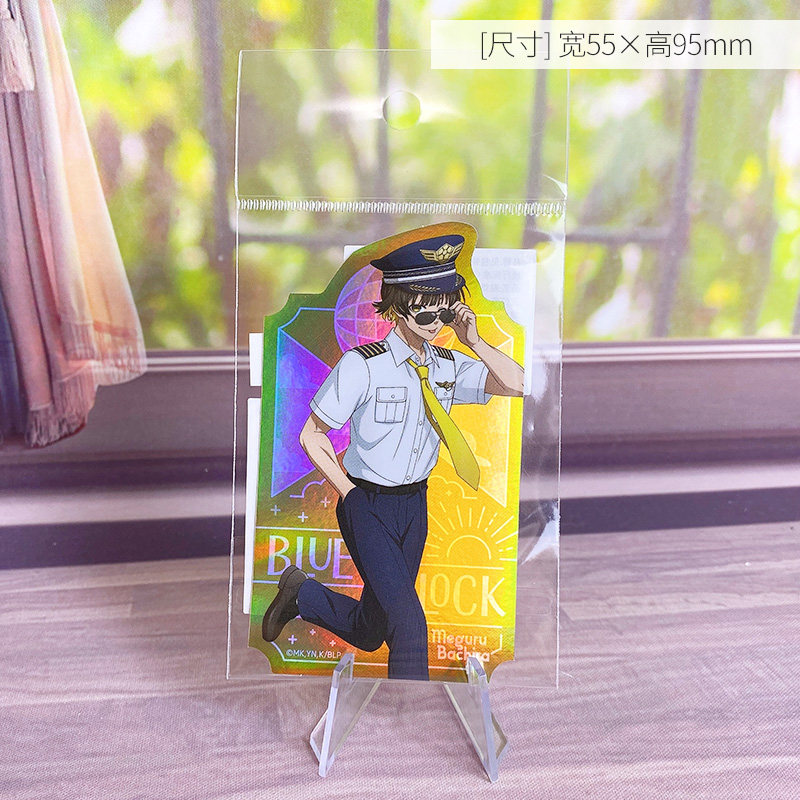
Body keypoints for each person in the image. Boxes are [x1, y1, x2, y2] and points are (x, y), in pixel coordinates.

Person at [262, 232, 523, 680]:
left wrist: (475, 342)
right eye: (424, 307)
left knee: (372, 629)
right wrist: (349, 495)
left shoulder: (447, 363)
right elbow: (312, 434)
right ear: (397, 306)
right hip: (367, 503)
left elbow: (517, 385)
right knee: (409, 627)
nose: (435, 319)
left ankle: (302, 595)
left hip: (414, 506)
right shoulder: (363, 365)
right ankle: (411, 713)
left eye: (444, 307)